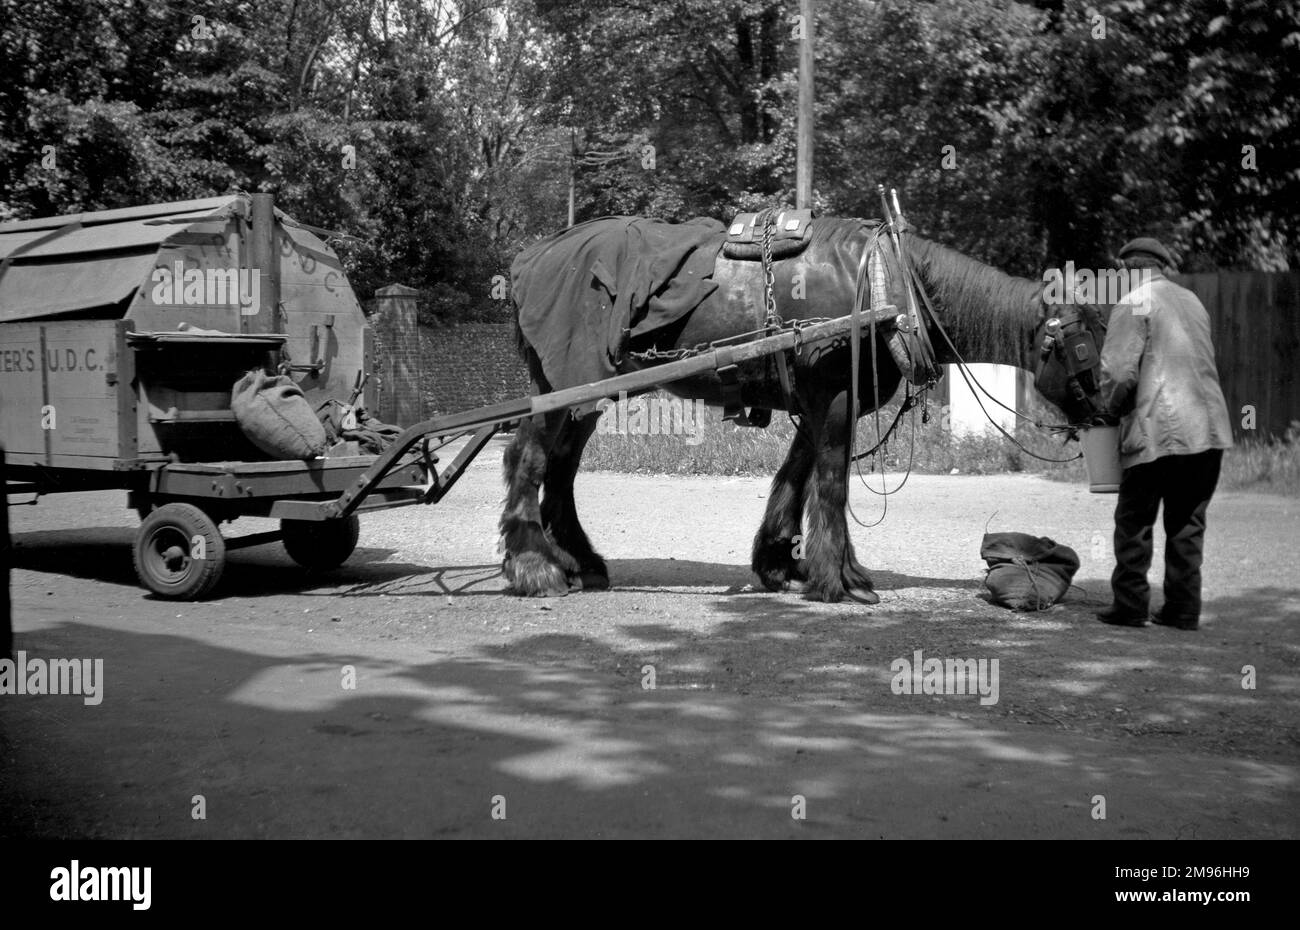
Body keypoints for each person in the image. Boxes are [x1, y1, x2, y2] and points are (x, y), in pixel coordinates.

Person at [1095, 238, 1234, 631]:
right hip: (1209, 428)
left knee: (1134, 520)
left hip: (1160, 429)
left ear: (1125, 269)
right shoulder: (1192, 301)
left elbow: (1119, 373)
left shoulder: (1134, 301)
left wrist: (1110, 409)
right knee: (1187, 522)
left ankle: (1130, 606)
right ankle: (1183, 609)